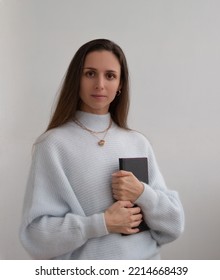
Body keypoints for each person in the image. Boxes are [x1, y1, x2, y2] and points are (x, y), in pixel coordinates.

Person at [20, 38, 184, 260]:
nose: (100, 84)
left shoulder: (138, 142)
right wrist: (102, 223)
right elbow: (35, 237)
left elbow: (174, 225)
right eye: (90, 73)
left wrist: (142, 193)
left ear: (120, 85)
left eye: (110, 75)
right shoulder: (53, 145)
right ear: (76, 79)